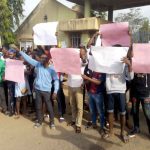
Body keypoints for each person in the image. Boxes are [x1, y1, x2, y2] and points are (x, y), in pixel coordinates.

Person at [15, 46, 59, 129]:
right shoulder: (38, 65)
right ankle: (39, 121)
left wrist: (55, 91)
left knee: (49, 107)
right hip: (38, 90)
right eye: (41, 58)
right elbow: (28, 59)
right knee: (38, 107)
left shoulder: (52, 69)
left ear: (47, 59)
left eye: (43, 58)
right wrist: (20, 51)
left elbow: (56, 80)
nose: (41, 59)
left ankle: (52, 122)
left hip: (47, 91)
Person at [106, 51, 134, 143]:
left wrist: (129, 64)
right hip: (110, 89)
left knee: (122, 113)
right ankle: (111, 131)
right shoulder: (107, 61)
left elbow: (130, 77)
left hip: (121, 90)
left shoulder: (124, 63)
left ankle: (122, 132)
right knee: (110, 112)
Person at [67, 47, 87, 133]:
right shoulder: (71, 61)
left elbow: (84, 62)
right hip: (70, 85)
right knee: (72, 104)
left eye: (83, 52)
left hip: (79, 86)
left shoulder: (84, 61)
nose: (81, 53)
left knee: (79, 107)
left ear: (85, 53)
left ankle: (78, 125)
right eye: (80, 52)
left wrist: (83, 58)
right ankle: (73, 120)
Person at [82, 70, 107, 137]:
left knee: (100, 112)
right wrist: (84, 82)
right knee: (92, 111)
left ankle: (102, 127)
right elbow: (90, 81)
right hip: (91, 93)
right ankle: (94, 124)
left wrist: (88, 78)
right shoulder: (93, 72)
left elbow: (98, 82)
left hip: (98, 94)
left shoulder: (103, 72)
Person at [129, 73, 150, 137]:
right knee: (135, 112)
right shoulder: (135, 68)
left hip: (146, 95)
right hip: (135, 95)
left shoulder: (148, 68)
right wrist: (131, 97)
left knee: (148, 114)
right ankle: (136, 128)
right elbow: (131, 81)